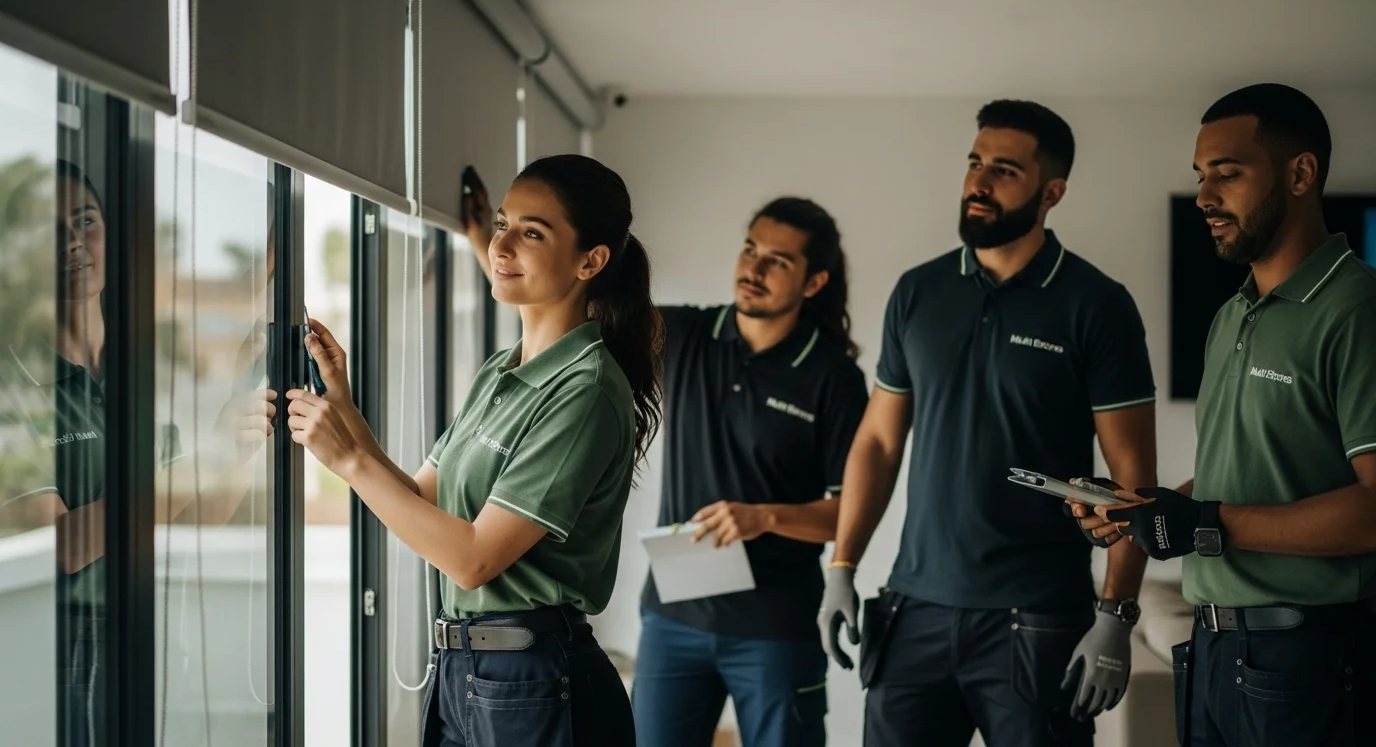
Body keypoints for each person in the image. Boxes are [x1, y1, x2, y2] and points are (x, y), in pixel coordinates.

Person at [1072, 83, 1376, 746]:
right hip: (1216, 651)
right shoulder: (1231, 316)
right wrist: (1147, 508)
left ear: (1301, 173)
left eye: (1227, 174)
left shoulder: (1364, 311)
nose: (1204, 196)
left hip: (1315, 660)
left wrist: (1204, 522)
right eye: (1200, 177)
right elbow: (1241, 479)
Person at [818, 100, 1160, 746]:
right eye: (975, 162)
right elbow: (880, 441)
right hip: (913, 608)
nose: (978, 181)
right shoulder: (919, 291)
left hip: (1037, 619)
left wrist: (1116, 613)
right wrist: (842, 567)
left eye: (1004, 169)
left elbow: (1132, 477)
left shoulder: (1096, 304)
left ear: (1051, 191)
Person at [289, 154, 656, 746]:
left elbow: (473, 559)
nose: (501, 245)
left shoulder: (585, 390)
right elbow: (421, 500)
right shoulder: (500, 370)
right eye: (504, 223)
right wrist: (345, 407)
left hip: (533, 682)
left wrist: (348, 460)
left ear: (590, 260)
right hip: (466, 672)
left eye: (531, 233)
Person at [0, 160, 273, 747]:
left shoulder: (134, 374)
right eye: (51, 232)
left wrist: (237, 445)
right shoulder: (14, 382)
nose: (74, 242)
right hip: (71, 650)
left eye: (85, 220)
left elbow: (194, 517)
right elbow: (64, 546)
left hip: (153, 625)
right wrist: (203, 458)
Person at [624, 197, 869, 747]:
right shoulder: (684, 333)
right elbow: (576, 311)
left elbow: (849, 514)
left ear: (814, 282)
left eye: (778, 261)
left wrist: (765, 516)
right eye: (750, 249)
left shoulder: (834, 378)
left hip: (776, 630)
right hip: (672, 618)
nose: (752, 269)